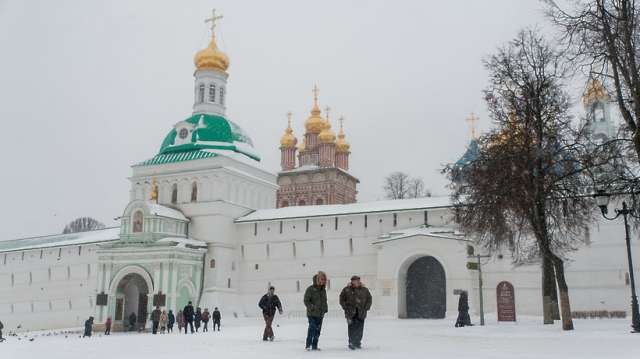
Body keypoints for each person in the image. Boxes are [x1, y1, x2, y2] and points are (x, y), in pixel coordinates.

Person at [339, 275, 372, 350]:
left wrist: (366, 308)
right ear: (352, 281)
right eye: (356, 280)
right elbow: (342, 299)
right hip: (350, 312)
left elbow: (369, 299)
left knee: (360, 328)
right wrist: (346, 308)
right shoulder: (346, 289)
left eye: (359, 280)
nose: (358, 281)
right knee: (351, 328)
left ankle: (358, 342)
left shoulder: (364, 290)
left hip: (361, 312)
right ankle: (351, 342)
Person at [303, 271, 328, 351]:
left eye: (324, 279)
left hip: (320, 314)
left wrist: (325, 309)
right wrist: (312, 307)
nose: (323, 281)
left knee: (318, 330)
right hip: (312, 313)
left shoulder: (323, 290)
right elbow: (306, 300)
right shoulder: (310, 289)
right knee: (312, 328)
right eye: (321, 279)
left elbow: (324, 301)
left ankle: (314, 345)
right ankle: (308, 345)